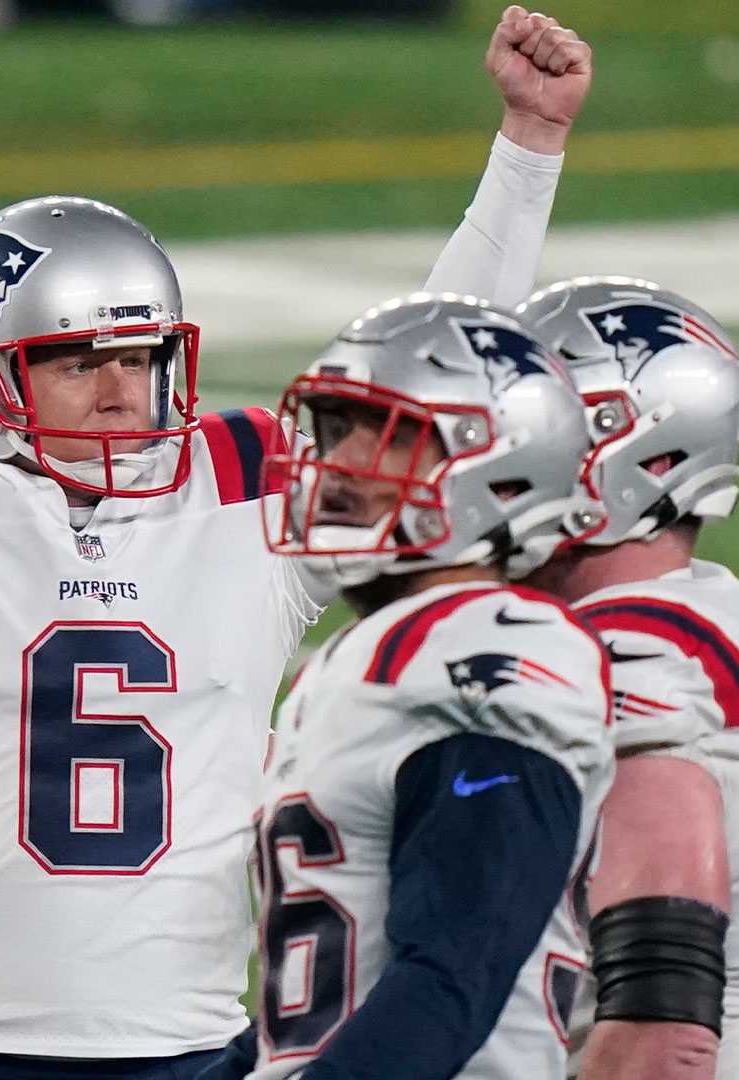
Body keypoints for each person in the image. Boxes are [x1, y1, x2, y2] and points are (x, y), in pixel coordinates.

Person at [0, 6, 592, 1074]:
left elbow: (427, 375)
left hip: (193, 1043)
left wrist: (526, 149)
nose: (124, 391)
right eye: (79, 360)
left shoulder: (240, 496)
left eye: (141, 356)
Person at [235, 294, 612, 1079]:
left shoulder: (491, 647)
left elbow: (455, 968)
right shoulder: (366, 653)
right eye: (335, 433)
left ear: (501, 474)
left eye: (387, 438)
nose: (338, 468)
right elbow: (305, 1019)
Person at [516, 278, 739, 1078]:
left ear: (642, 453)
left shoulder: (625, 650)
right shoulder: (704, 604)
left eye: (537, 425)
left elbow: (660, 1019)